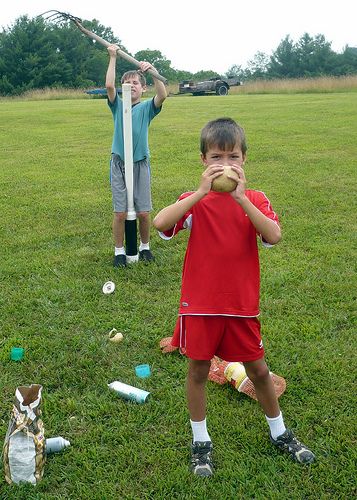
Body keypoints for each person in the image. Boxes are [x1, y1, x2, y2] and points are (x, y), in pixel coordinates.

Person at [153, 117, 315, 477]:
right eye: (216, 157)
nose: (225, 164)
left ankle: (279, 431)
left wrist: (242, 199)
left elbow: (273, 236)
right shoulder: (194, 201)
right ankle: (201, 442)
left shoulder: (255, 199)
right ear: (203, 160)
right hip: (200, 306)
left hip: (241, 306)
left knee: (259, 369)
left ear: (244, 160)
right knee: (197, 370)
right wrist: (198, 193)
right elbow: (161, 223)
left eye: (233, 157)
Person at [106, 44, 167, 267]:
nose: (131, 86)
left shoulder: (147, 108)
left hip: (140, 164)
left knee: (142, 212)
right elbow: (109, 85)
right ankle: (119, 251)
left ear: (143, 89)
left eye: (135, 83)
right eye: (128, 83)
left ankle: (145, 247)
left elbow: (162, 94)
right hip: (119, 163)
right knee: (120, 212)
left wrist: (152, 71)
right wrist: (113, 57)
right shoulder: (118, 106)